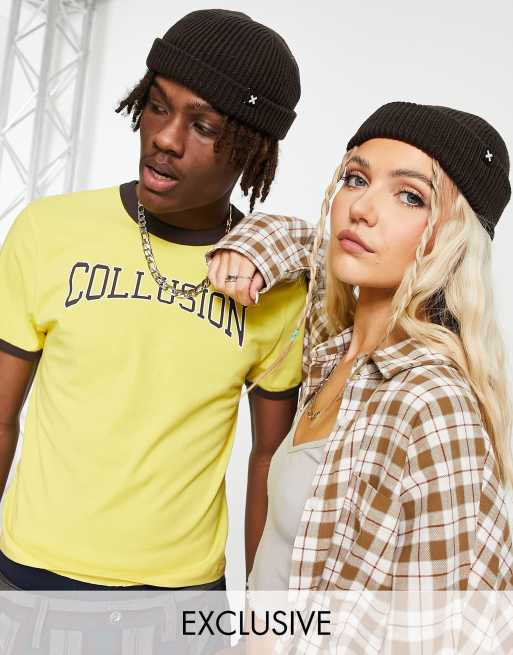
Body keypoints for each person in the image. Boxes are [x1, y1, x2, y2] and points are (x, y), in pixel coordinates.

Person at [0, 8, 306, 601]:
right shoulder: (48, 231)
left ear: (252, 152)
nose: (165, 137)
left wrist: (263, 618)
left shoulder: (276, 288)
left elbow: (269, 459)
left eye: (204, 126)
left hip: (181, 603)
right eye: (158, 106)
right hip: (29, 585)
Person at [209, 101, 513, 593]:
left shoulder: (430, 402)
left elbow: (439, 623)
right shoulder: (336, 352)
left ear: (455, 241)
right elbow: (309, 244)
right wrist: (250, 249)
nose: (362, 209)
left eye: (410, 197)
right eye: (355, 179)